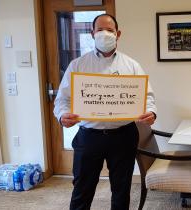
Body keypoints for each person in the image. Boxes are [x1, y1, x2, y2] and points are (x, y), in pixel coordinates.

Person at [53, 14, 157, 210]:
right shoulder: (78, 65)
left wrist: (151, 112)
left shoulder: (132, 65)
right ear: (92, 34)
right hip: (89, 137)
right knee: (82, 188)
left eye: (109, 30)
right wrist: (62, 115)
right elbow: (63, 100)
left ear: (118, 34)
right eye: (99, 30)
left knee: (121, 189)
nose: (104, 34)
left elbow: (147, 96)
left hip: (123, 136)